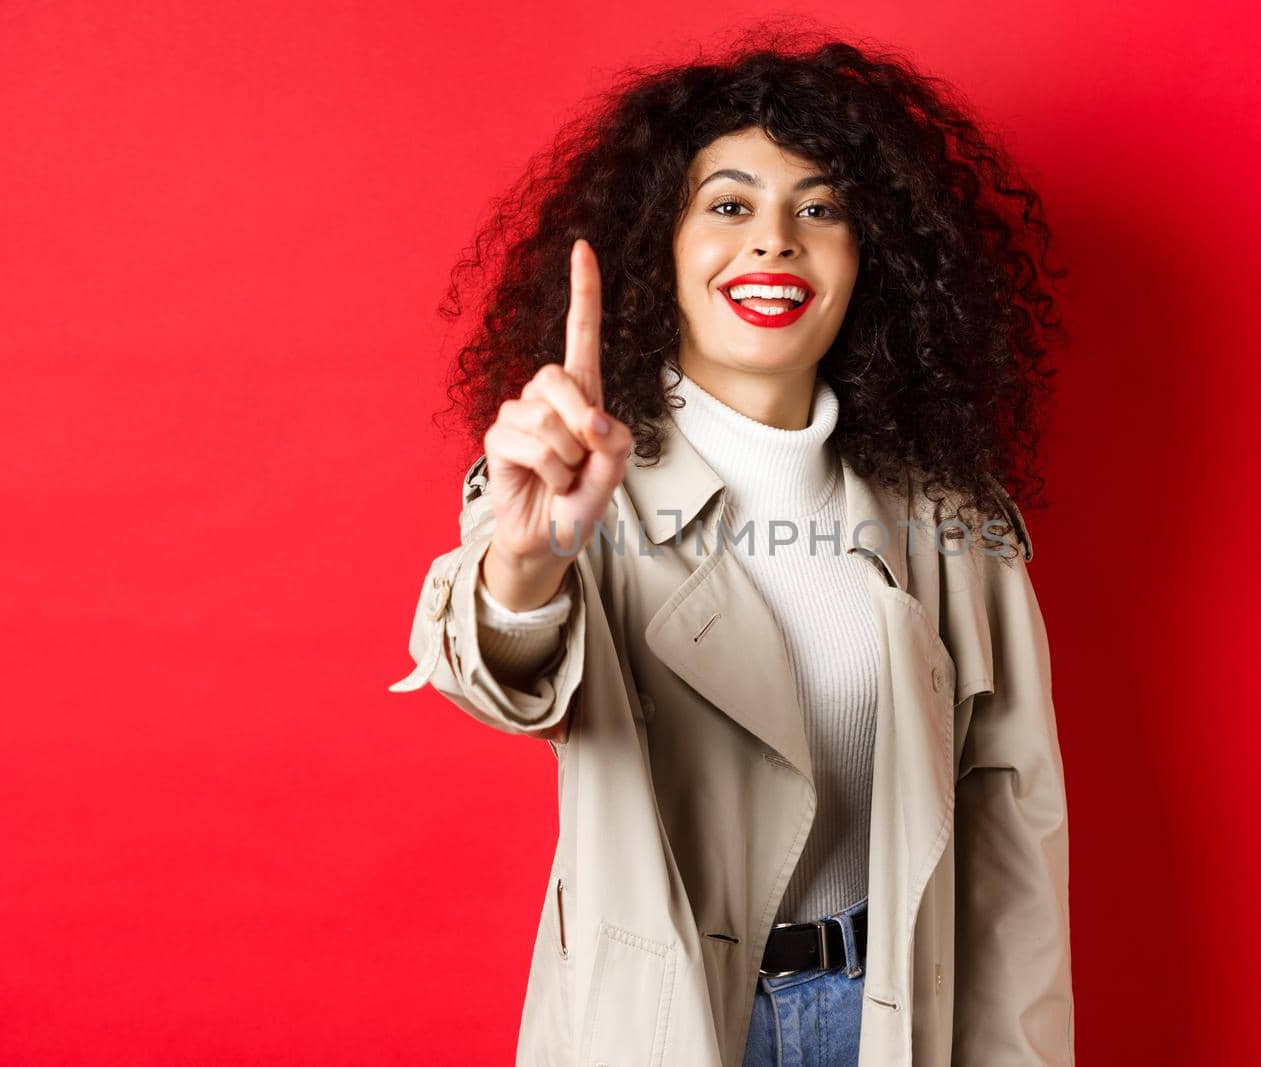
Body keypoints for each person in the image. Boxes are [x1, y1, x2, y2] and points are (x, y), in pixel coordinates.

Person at [392, 32, 1073, 1066]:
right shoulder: (578, 479)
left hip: (896, 1017)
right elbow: (497, 670)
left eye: (820, 207)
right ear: (656, 247)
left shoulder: (953, 520)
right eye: (727, 204)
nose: (774, 242)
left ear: (870, 256)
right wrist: (526, 566)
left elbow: (1012, 839)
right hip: (669, 1023)